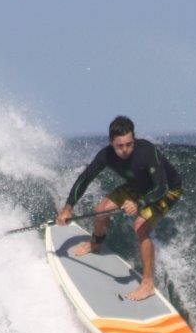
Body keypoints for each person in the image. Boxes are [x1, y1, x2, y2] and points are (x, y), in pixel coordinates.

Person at [56, 115, 183, 301]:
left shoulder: (146, 151)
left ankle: (148, 284)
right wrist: (68, 208)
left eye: (129, 144)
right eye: (119, 146)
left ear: (134, 139)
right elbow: (85, 178)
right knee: (101, 211)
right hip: (138, 185)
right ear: (111, 143)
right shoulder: (106, 155)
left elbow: (161, 187)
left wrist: (139, 204)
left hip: (167, 190)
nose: (125, 150)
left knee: (140, 226)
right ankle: (96, 243)